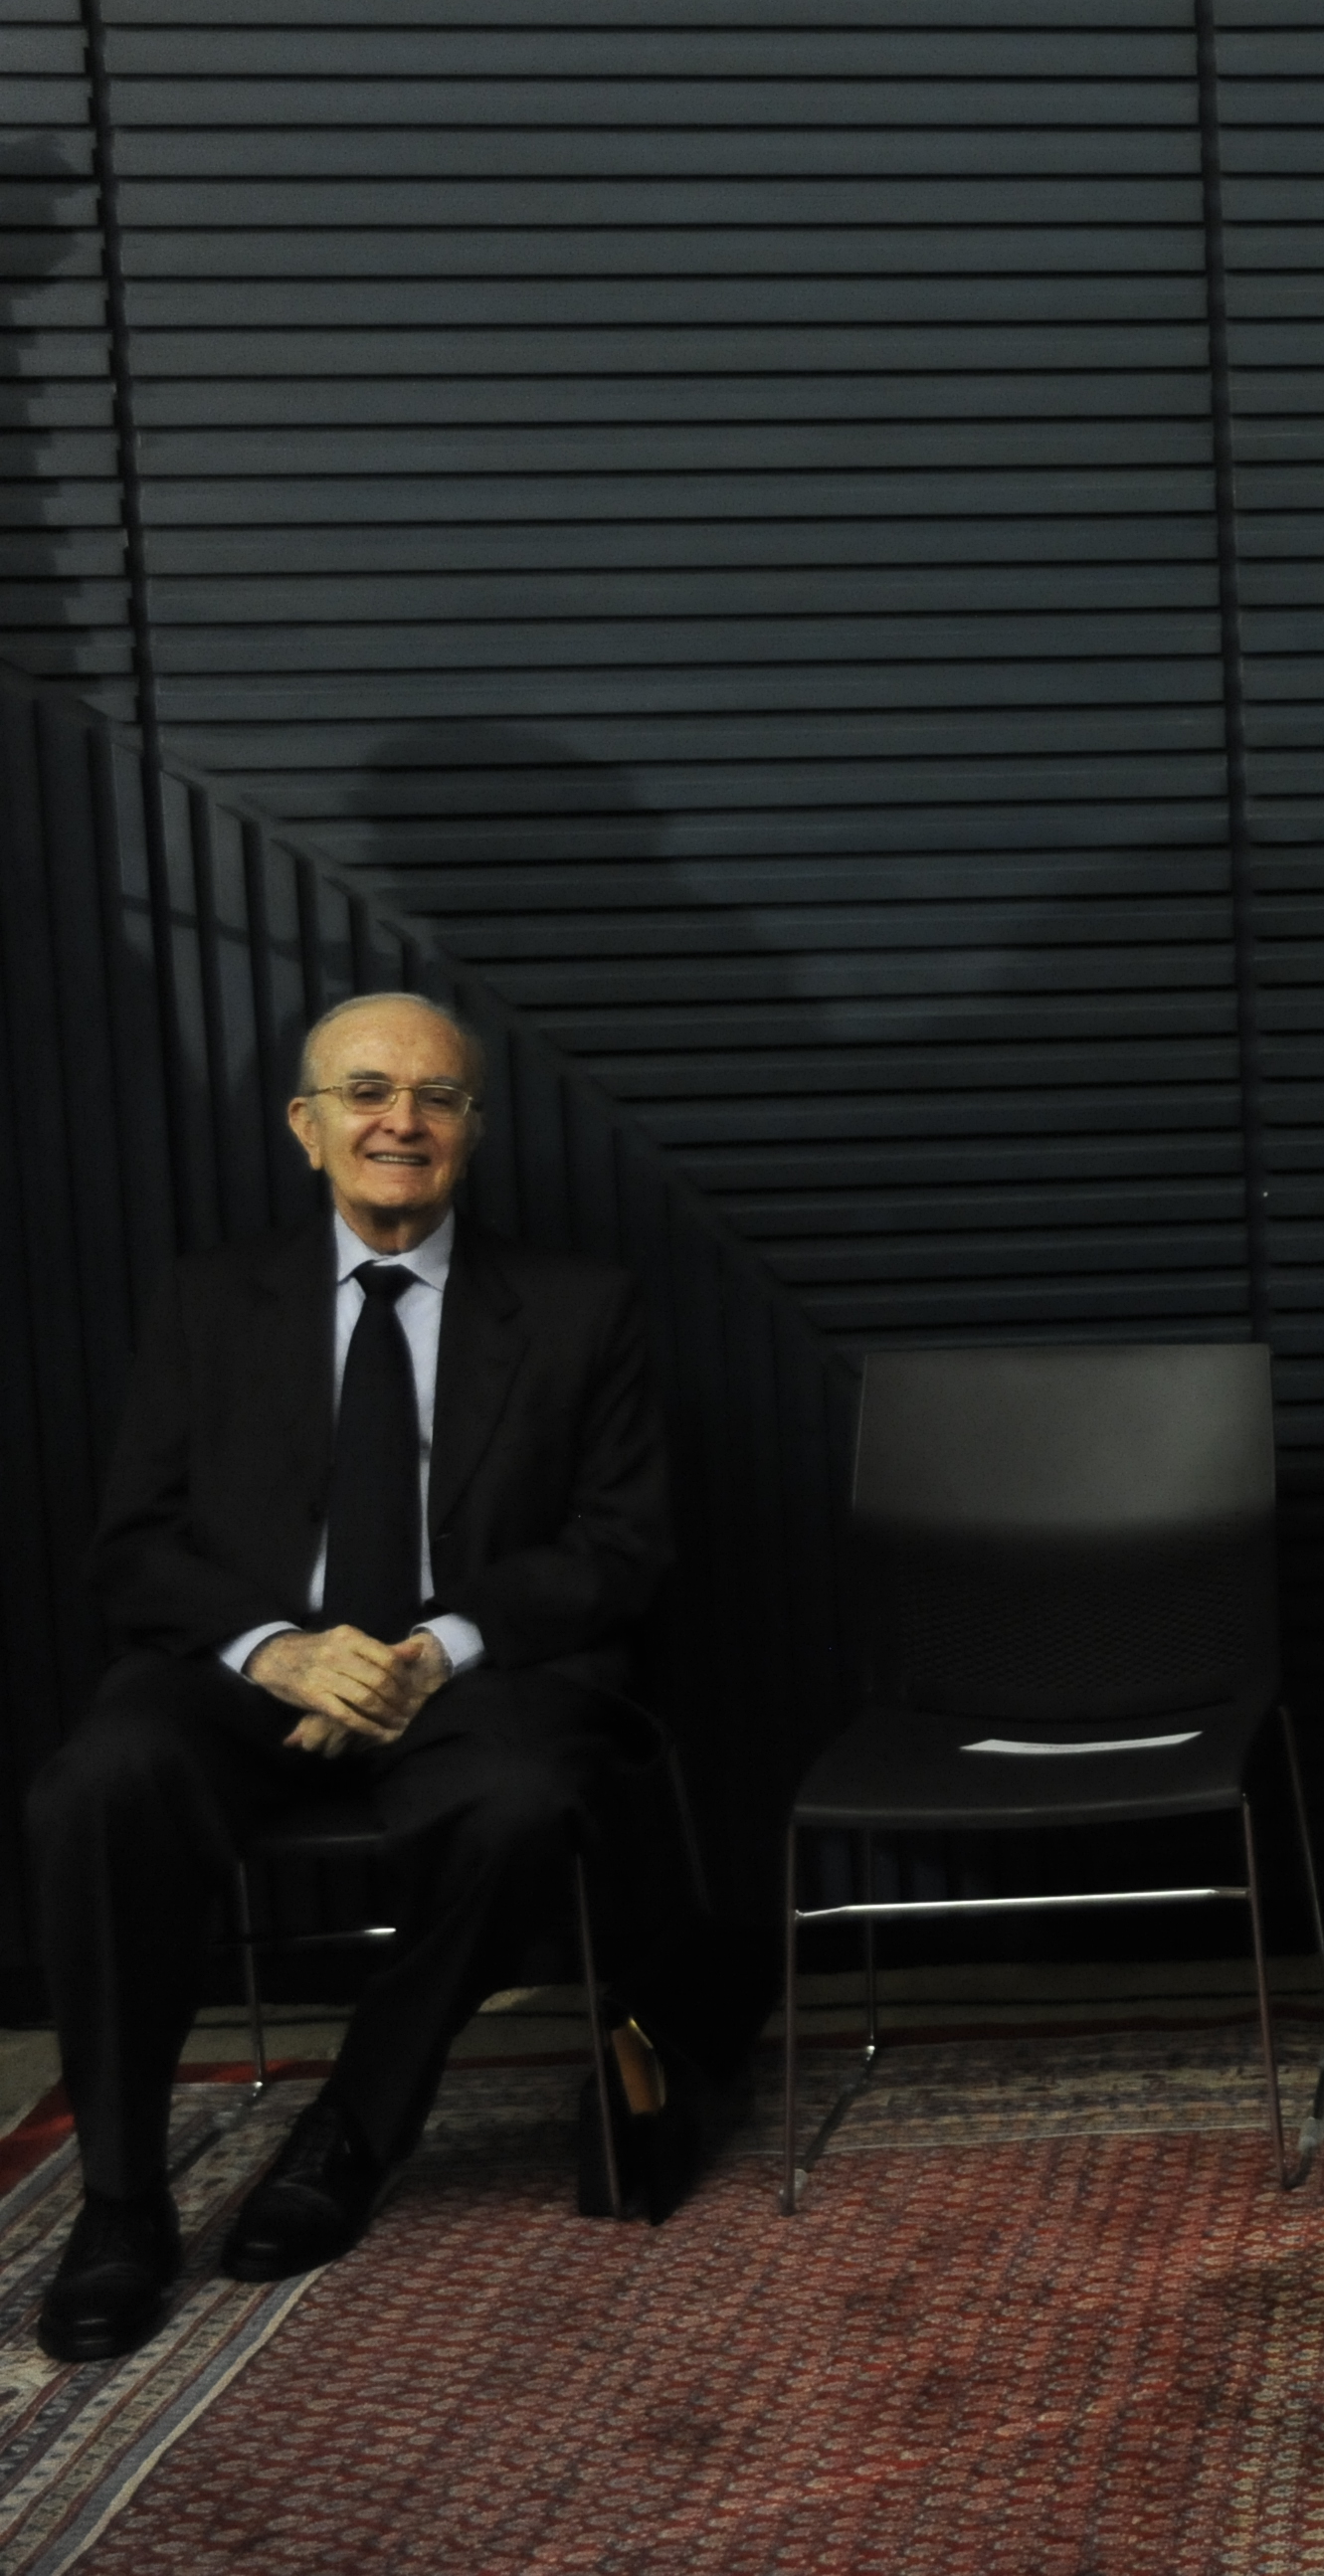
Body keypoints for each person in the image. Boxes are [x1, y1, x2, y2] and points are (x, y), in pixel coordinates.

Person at [29, 992, 671, 2363]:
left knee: (526, 1802)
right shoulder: (209, 1300)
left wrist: (437, 1647)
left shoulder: (582, 1307)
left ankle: (353, 2124)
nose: (402, 1121)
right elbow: (134, 1545)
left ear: (474, 1129)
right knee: (102, 1782)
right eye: (368, 1091)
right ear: (305, 1126)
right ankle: (122, 2198)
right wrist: (282, 1651)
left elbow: (623, 1547)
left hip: (469, 1671)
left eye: (438, 1097)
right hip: (256, 1669)